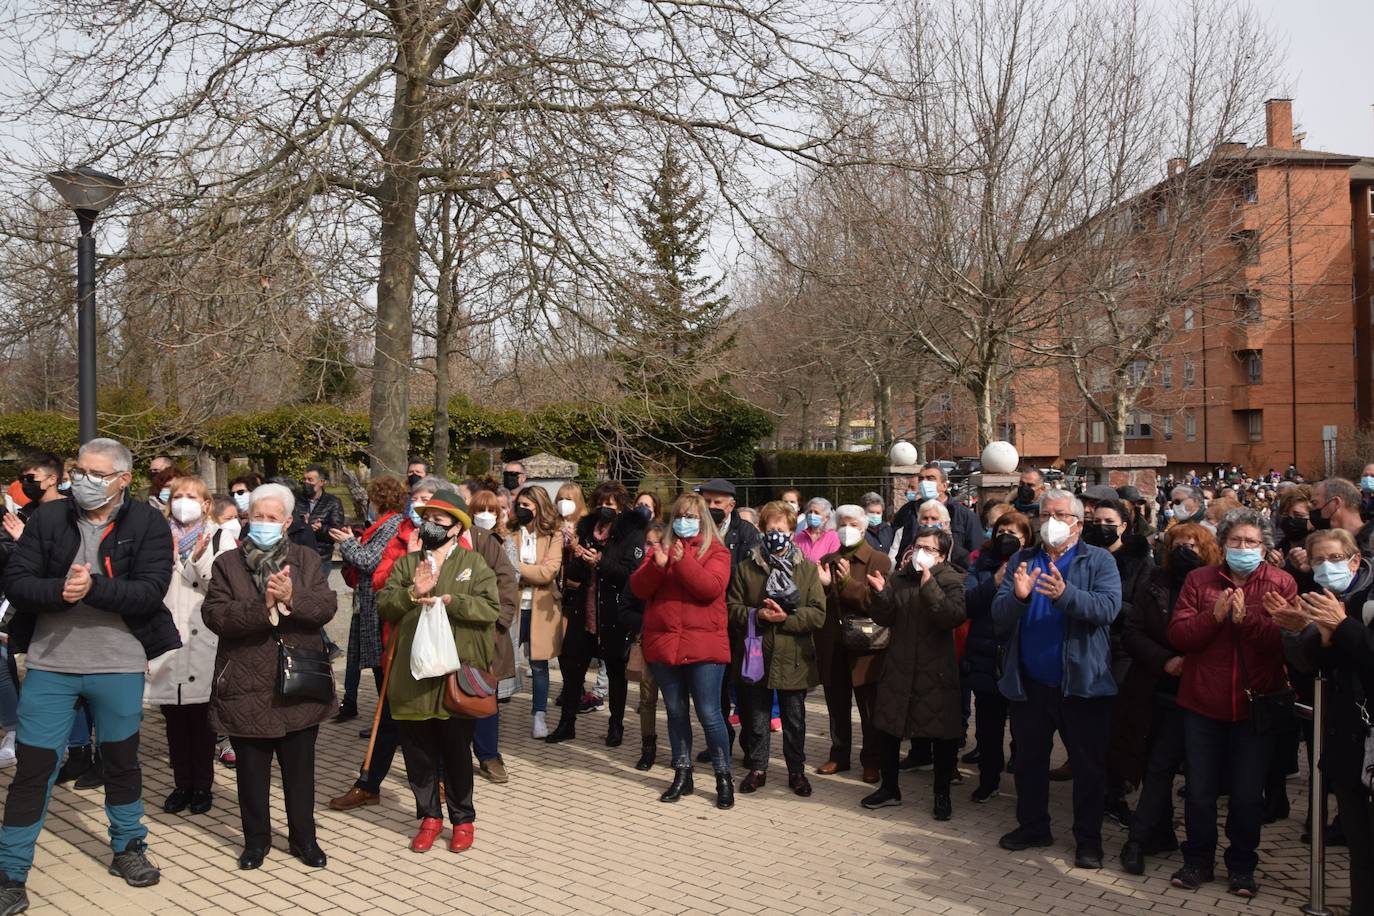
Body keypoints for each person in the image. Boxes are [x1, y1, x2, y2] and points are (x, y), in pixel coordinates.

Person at [0, 438, 174, 913]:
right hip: (50, 666)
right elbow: (16, 580)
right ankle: (11, 872)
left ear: (123, 479)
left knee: (121, 761)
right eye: (80, 471)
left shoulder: (147, 522)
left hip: (117, 667)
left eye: (97, 474)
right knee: (34, 769)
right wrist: (62, 591)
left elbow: (149, 592)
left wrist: (94, 588)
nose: (84, 481)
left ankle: (128, 848)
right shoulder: (48, 519)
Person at [202, 482, 336, 871]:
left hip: (299, 680)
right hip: (246, 681)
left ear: (288, 522)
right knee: (251, 774)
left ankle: (303, 839)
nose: (262, 523)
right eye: (256, 516)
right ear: (247, 519)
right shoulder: (227, 563)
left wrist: (293, 598)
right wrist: (261, 605)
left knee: (299, 774)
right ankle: (255, 841)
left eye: (271, 518)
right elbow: (216, 615)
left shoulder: (306, 559)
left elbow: (326, 606)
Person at [1165, 507, 1294, 898]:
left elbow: (1285, 641)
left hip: (1255, 703)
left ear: (1264, 546)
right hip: (1203, 701)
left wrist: (1246, 622)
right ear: (1222, 545)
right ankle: (1198, 860)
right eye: (1236, 541)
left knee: (1246, 793)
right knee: (1201, 791)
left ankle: (1241, 865)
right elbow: (1179, 635)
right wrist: (1214, 617)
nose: (1243, 548)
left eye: (1251, 542)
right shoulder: (1199, 580)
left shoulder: (1281, 582)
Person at [992, 488, 1122, 870]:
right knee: (1030, 762)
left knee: (1087, 767)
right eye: (1045, 514)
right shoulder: (1022, 558)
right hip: (1030, 683)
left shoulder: (1097, 561)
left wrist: (1066, 595)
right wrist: (1017, 597)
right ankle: (1033, 826)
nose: (1051, 521)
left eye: (1061, 515)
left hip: (1081, 684)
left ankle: (1088, 840)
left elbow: (1107, 609)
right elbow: (998, 617)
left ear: (1078, 524)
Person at [374, 490, 499, 852]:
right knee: (418, 754)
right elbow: (384, 604)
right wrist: (412, 592)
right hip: (411, 679)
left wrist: (452, 601)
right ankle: (429, 817)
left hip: (455, 679)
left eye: (438, 521)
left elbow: (491, 608)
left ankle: (463, 820)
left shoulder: (473, 565)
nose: (429, 526)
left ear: (456, 529)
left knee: (457, 753)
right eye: (426, 519)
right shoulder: (407, 564)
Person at [1274, 527, 1374, 913]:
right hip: (1350, 737)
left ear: (1354, 559)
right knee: (1360, 847)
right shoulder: (1339, 598)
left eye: (1336, 559)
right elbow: (1323, 666)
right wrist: (1304, 631)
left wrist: (1343, 626)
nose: (1327, 568)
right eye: (1319, 561)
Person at [1116, 523, 1219, 875]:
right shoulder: (1157, 582)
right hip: (1156, 685)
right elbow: (1133, 632)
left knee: (1196, 776)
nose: (1185, 550)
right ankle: (1145, 837)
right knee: (1155, 766)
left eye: (1193, 544)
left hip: (1201, 691)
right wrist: (1166, 660)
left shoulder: (1216, 583)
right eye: (1178, 543)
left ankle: (1195, 849)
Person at [631, 492, 734, 808]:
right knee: (675, 711)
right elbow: (638, 588)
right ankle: (682, 771)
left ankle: (723, 776)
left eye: (691, 517)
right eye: (680, 516)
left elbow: (710, 589)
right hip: (665, 645)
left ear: (702, 520)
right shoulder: (659, 549)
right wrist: (658, 567)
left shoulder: (717, 551)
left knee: (709, 713)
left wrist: (682, 560)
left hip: (704, 647)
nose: (684, 522)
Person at [146, 475, 237, 816]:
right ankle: (181, 783)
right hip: (167, 639)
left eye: (191, 496)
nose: (184, 501)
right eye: (178, 495)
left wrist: (197, 561)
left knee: (202, 722)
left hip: (204, 639)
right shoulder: (156, 538)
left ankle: (202, 786)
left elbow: (226, 586)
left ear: (205, 504)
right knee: (173, 721)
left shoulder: (220, 537)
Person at [861, 526, 966, 819]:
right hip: (899, 665)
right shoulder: (901, 577)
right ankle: (889, 788)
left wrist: (929, 584)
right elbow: (884, 617)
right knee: (890, 728)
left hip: (937, 671)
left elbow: (952, 617)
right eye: (918, 545)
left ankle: (942, 794)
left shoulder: (951, 579)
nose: (921, 551)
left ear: (942, 555)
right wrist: (881, 593)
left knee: (941, 734)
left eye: (929, 548)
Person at [727, 501, 825, 797]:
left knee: (794, 719)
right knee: (756, 717)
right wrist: (757, 615)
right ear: (761, 530)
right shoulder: (747, 568)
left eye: (781, 530)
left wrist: (788, 618)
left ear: (793, 531)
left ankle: (796, 770)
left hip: (794, 657)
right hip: (757, 656)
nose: (776, 535)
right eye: (770, 529)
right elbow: (732, 608)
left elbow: (818, 613)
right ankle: (758, 768)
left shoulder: (806, 569)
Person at [548, 481, 646, 746]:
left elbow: (631, 573)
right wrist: (579, 558)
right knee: (572, 666)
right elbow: (575, 575)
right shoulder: (587, 528)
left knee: (615, 670)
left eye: (610, 505)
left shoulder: (632, 533)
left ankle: (616, 726)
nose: (605, 509)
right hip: (585, 608)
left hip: (613, 611)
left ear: (621, 507)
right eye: (601, 504)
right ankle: (566, 722)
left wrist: (600, 562)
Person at [1085, 498, 1155, 825]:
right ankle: (1093, 789)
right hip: (1086, 645)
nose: (1100, 526)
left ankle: (1114, 793)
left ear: (1124, 526)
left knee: (1117, 725)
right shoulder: (1084, 556)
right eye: (1095, 520)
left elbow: (1141, 610)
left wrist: (1106, 605)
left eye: (1108, 521)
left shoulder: (1141, 562)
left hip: (1121, 650)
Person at [813, 504, 893, 782]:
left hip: (866, 645)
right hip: (833, 644)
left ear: (863, 527)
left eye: (852, 524)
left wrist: (846, 582)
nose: (846, 529)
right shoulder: (827, 558)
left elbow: (877, 604)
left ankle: (872, 760)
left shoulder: (879, 561)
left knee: (869, 709)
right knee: (837, 705)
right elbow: (819, 604)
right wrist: (824, 586)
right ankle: (839, 755)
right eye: (842, 523)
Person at [964, 510, 1034, 802]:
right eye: (1001, 530)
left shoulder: (1033, 563)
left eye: (1014, 533)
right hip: (986, 653)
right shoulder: (980, 562)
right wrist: (994, 581)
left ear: (1026, 538)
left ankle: (1022, 774)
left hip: (1019, 656)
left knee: (1023, 726)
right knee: (988, 727)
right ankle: (988, 778)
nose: (1006, 537)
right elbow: (968, 602)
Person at [329, 477, 408, 723]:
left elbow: (367, 561)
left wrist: (346, 543)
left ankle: (388, 725)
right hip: (369, 605)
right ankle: (384, 722)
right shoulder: (383, 525)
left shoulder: (391, 526)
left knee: (382, 670)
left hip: (378, 606)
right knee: (378, 669)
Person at [463, 488, 521, 784]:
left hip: (487, 633)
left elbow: (508, 582)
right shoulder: (446, 541)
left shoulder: (490, 542)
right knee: (456, 697)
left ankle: (488, 755)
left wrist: (498, 620)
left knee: (486, 696)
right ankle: (455, 757)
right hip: (453, 635)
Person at [513, 486, 564, 738]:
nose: (521, 509)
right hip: (513, 605)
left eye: (527, 505)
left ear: (539, 506)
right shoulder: (511, 530)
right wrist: (531, 569)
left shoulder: (554, 534)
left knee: (539, 664)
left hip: (541, 607)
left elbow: (549, 572)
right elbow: (501, 567)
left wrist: (517, 568)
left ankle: (539, 715)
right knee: (504, 661)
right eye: (519, 504)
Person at [622, 521, 667, 769]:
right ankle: (648, 747)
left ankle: (680, 749)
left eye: (659, 543)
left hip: (671, 645)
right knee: (647, 700)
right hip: (647, 642)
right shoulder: (637, 573)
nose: (653, 548)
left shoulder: (674, 571)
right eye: (649, 543)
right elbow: (625, 610)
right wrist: (647, 621)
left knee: (674, 702)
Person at [894, 463, 980, 559]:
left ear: (944, 485)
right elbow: (897, 546)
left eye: (930, 478)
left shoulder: (964, 515)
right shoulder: (907, 511)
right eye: (921, 479)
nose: (924, 482)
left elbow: (975, 553)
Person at [1311, 477, 1374, 556]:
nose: (1312, 510)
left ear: (1336, 503)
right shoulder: (1319, 543)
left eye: (1315, 503)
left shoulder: (1370, 544)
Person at [301, 465, 345, 575]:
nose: (306, 483)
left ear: (321, 482)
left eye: (310, 480)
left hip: (321, 558)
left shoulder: (333, 502)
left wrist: (320, 529)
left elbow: (337, 531)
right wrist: (303, 526)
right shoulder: (296, 500)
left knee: (316, 591)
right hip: (299, 556)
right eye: (304, 479)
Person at [794, 497, 838, 562]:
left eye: (816, 513)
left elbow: (833, 560)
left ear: (826, 518)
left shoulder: (833, 537)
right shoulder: (799, 537)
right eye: (810, 512)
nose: (812, 515)